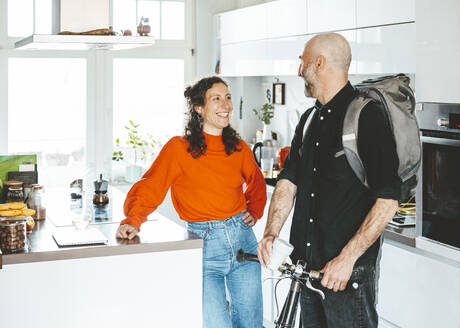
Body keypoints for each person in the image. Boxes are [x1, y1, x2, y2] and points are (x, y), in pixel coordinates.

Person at [257, 33, 401, 328]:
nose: (299, 71)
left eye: (303, 63)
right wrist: (271, 234)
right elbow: (288, 181)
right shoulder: (309, 119)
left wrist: (347, 259)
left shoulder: (367, 117)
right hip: (307, 271)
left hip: (346, 276)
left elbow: (388, 200)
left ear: (319, 63)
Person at [117, 76, 266, 328]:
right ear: (199, 107)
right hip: (205, 247)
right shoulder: (179, 148)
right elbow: (151, 185)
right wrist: (133, 220)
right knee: (216, 324)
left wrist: (254, 209)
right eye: (216, 99)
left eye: (228, 97)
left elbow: (257, 183)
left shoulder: (239, 148)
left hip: (243, 240)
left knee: (251, 324)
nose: (225, 104)